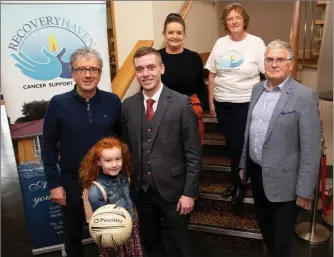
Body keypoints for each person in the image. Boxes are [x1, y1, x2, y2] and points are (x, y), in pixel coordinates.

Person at [239, 39, 321, 257]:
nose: (274, 64)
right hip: (257, 175)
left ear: (290, 64)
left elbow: (311, 149)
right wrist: (243, 164)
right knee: (266, 231)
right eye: (269, 59)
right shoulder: (257, 89)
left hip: (286, 183)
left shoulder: (304, 96)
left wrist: (304, 190)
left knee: (282, 242)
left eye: (280, 59)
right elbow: (249, 130)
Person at [122, 47, 201, 257]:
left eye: (151, 67)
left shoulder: (181, 103)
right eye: (140, 69)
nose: (145, 73)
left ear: (162, 68)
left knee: (181, 246)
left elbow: (193, 152)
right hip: (142, 192)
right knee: (151, 244)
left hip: (175, 192)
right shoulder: (128, 106)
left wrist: (189, 193)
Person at [42, 47, 122, 257]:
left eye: (93, 69)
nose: (88, 75)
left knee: (111, 233)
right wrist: (54, 184)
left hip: (108, 181)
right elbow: (48, 147)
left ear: (100, 73)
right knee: (74, 236)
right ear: (73, 73)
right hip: (71, 180)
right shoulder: (58, 104)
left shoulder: (113, 101)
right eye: (82, 69)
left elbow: (122, 142)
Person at [205, 3, 266, 205]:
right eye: (230, 18)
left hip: (246, 103)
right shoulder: (220, 43)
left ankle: (239, 183)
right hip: (223, 103)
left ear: (244, 20)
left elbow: (268, 74)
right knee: (232, 144)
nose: (234, 21)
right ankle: (238, 179)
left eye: (237, 17)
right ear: (226, 23)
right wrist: (211, 102)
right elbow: (212, 74)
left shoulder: (256, 43)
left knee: (239, 145)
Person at [79, 137, 143, 257]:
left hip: (131, 229)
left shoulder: (124, 176)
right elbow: (100, 224)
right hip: (113, 237)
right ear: (98, 162)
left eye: (118, 159)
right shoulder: (96, 189)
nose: (114, 164)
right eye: (108, 161)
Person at [159, 13, 206, 142]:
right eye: (170, 32)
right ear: (164, 35)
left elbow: (201, 87)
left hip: (190, 113)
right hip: (163, 114)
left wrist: (200, 108)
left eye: (179, 33)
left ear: (184, 35)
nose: (175, 36)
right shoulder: (156, 57)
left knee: (192, 154)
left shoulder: (194, 58)